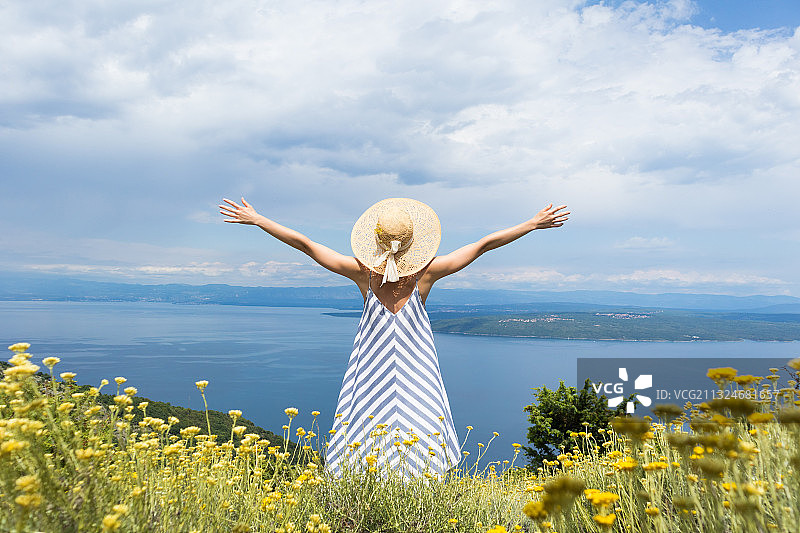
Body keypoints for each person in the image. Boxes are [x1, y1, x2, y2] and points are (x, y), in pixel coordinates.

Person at [219, 197, 569, 478]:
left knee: (364, 433)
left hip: (370, 374)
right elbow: (482, 245)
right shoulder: (426, 273)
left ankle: (365, 494)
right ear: (414, 242)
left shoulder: (362, 274)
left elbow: (307, 245)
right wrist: (532, 224)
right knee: (423, 431)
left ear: (375, 242)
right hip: (419, 375)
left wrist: (259, 220)